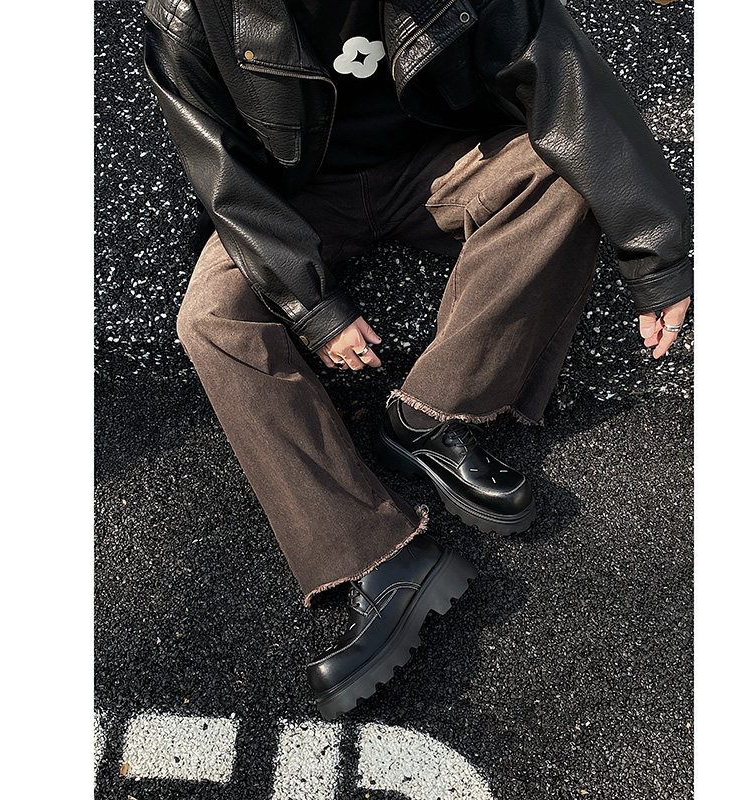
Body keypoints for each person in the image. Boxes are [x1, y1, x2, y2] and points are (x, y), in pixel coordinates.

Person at [142, 0, 692, 720]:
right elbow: (223, 175)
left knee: (562, 179)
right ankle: (378, 556)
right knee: (211, 318)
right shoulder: (188, 13)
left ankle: (427, 418)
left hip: (438, 160)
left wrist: (655, 255)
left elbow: (565, 84)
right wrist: (312, 305)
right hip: (296, 200)